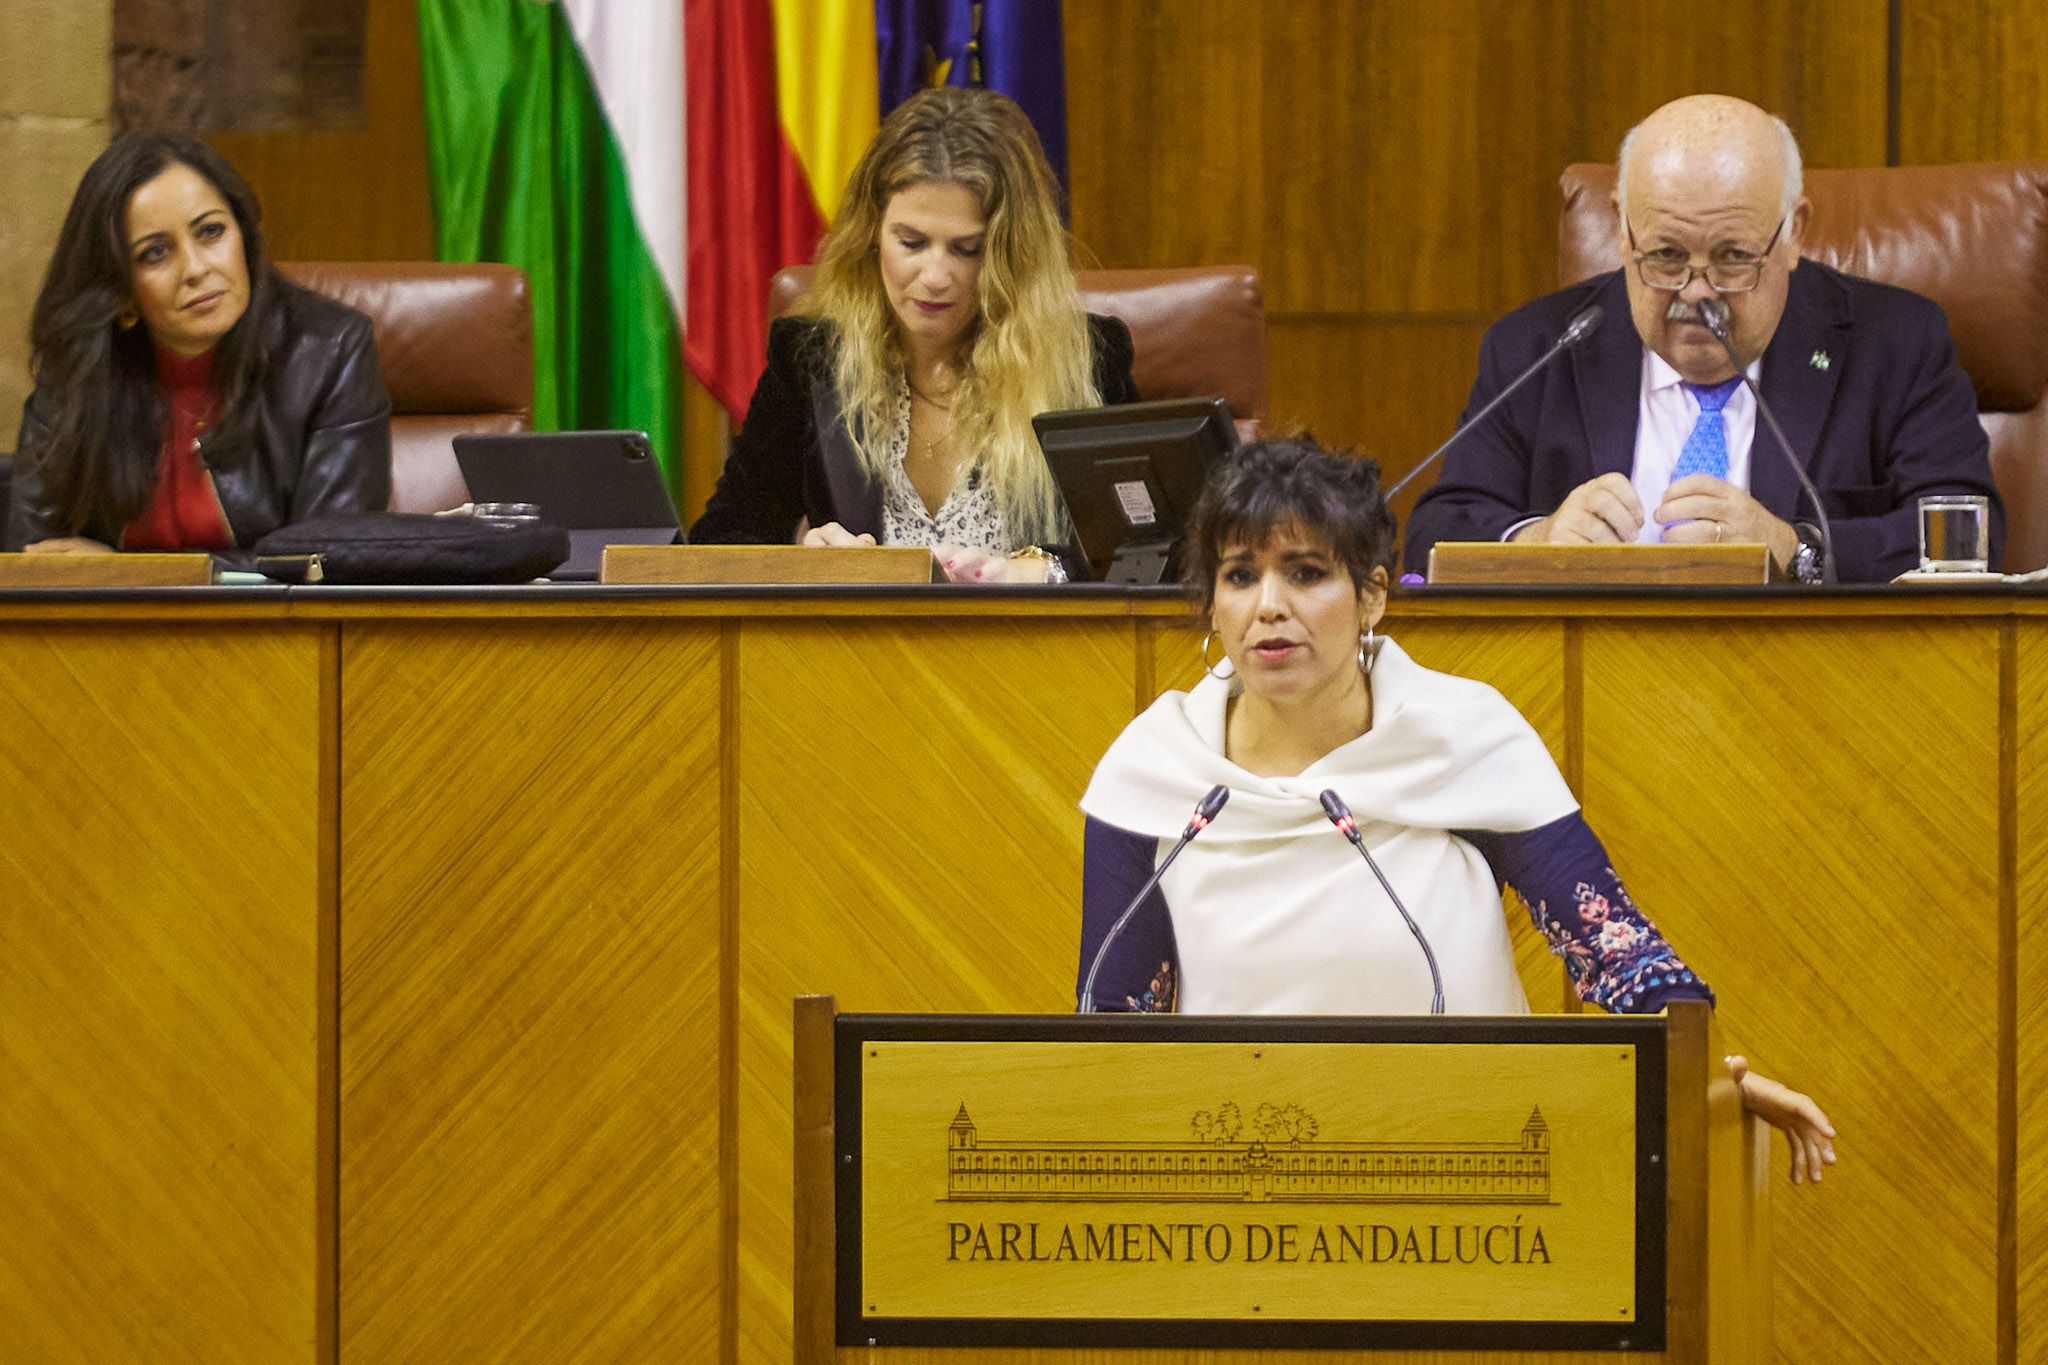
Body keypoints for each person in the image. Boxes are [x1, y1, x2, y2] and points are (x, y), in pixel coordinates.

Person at [1080, 436, 1838, 1184]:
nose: (1268, 607)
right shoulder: (1157, 771)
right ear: (1212, 604)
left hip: (1465, 1167)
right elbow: (1111, 1023)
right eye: (1240, 576)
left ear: (1373, 593)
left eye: (1306, 573)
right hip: (1234, 1179)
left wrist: (1707, 1071)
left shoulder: (1463, 736)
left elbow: (1612, 944)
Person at [1402, 94, 2003, 584]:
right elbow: (1436, 531)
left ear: (1793, 233)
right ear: (1620, 228)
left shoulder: (1893, 345)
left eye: (1733, 257)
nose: (1695, 291)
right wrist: (1538, 542)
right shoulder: (1537, 347)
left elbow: (1967, 538)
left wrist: (1798, 550)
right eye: (1664, 255)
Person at [687, 86, 1138, 582]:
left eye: (967, 249)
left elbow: (1153, 552)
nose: (936, 276)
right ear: (871, 235)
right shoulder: (812, 360)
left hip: (1034, 652)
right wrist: (801, 557)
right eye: (912, 243)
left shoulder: (1083, 360)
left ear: (1012, 256)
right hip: (855, 654)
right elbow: (720, 539)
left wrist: (1041, 572)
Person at [6, 132, 390, 554]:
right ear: (120, 290)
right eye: (155, 253)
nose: (195, 268)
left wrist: (131, 577)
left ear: (242, 235)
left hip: (274, 622)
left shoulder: (327, 352)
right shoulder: (81, 364)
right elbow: (32, 555)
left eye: (210, 232)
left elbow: (328, 562)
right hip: (103, 623)